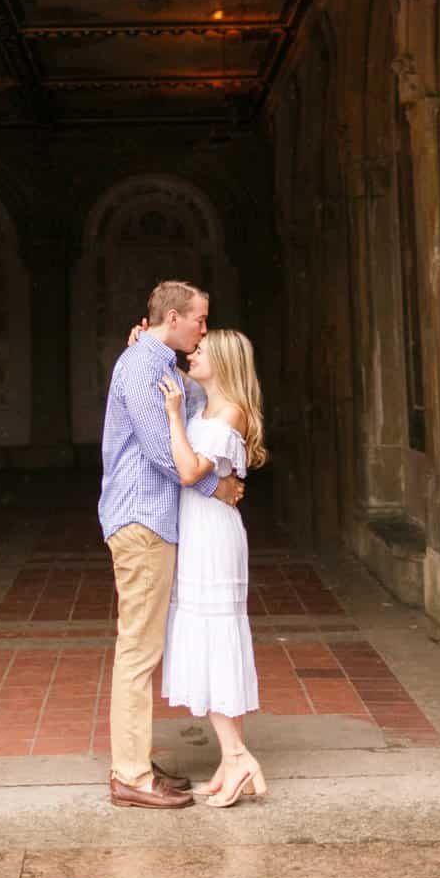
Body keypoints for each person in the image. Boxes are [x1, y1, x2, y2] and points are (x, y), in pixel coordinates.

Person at [98, 280, 245, 810]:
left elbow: (202, 403)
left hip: (155, 521)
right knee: (138, 648)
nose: (204, 329)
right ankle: (131, 777)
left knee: (143, 647)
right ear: (175, 318)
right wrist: (219, 487)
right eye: (200, 321)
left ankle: (134, 761)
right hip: (141, 519)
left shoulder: (157, 364)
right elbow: (166, 453)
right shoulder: (141, 367)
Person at [158, 329, 269, 807]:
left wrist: (171, 419)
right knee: (208, 636)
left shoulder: (230, 413)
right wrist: (144, 342)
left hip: (213, 536)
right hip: (199, 528)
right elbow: (170, 372)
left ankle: (240, 755)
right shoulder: (206, 404)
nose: (191, 353)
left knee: (216, 637)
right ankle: (229, 759)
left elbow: (189, 471)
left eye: (201, 351)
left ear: (222, 362)